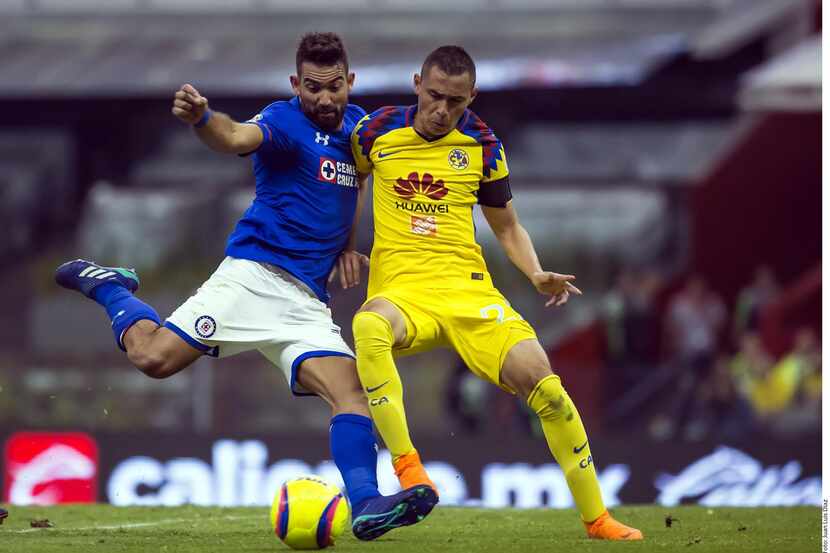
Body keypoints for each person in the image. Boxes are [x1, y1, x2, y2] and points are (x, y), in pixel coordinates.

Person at [55, 32, 436, 540]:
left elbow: (355, 187)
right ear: (296, 84)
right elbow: (234, 136)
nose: (324, 99)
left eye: (334, 88)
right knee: (153, 360)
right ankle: (109, 287)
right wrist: (202, 121)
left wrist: (347, 245)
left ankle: (366, 503)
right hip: (253, 278)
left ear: (350, 82)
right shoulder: (282, 120)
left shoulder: (359, 128)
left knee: (353, 394)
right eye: (313, 88)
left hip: (306, 302)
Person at [349, 45, 642, 540]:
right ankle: (409, 472)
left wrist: (535, 272)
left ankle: (598, 518)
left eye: (456, 102)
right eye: (436, 96)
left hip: (468, 293)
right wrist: (340, 247)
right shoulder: (374, 131)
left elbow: (507, 228)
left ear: (472, 96)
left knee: (545, 385)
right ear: (418, 83)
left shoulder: (483, 145)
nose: (442, 110)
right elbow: (344, 186)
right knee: (367, 325)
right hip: (403, 292)